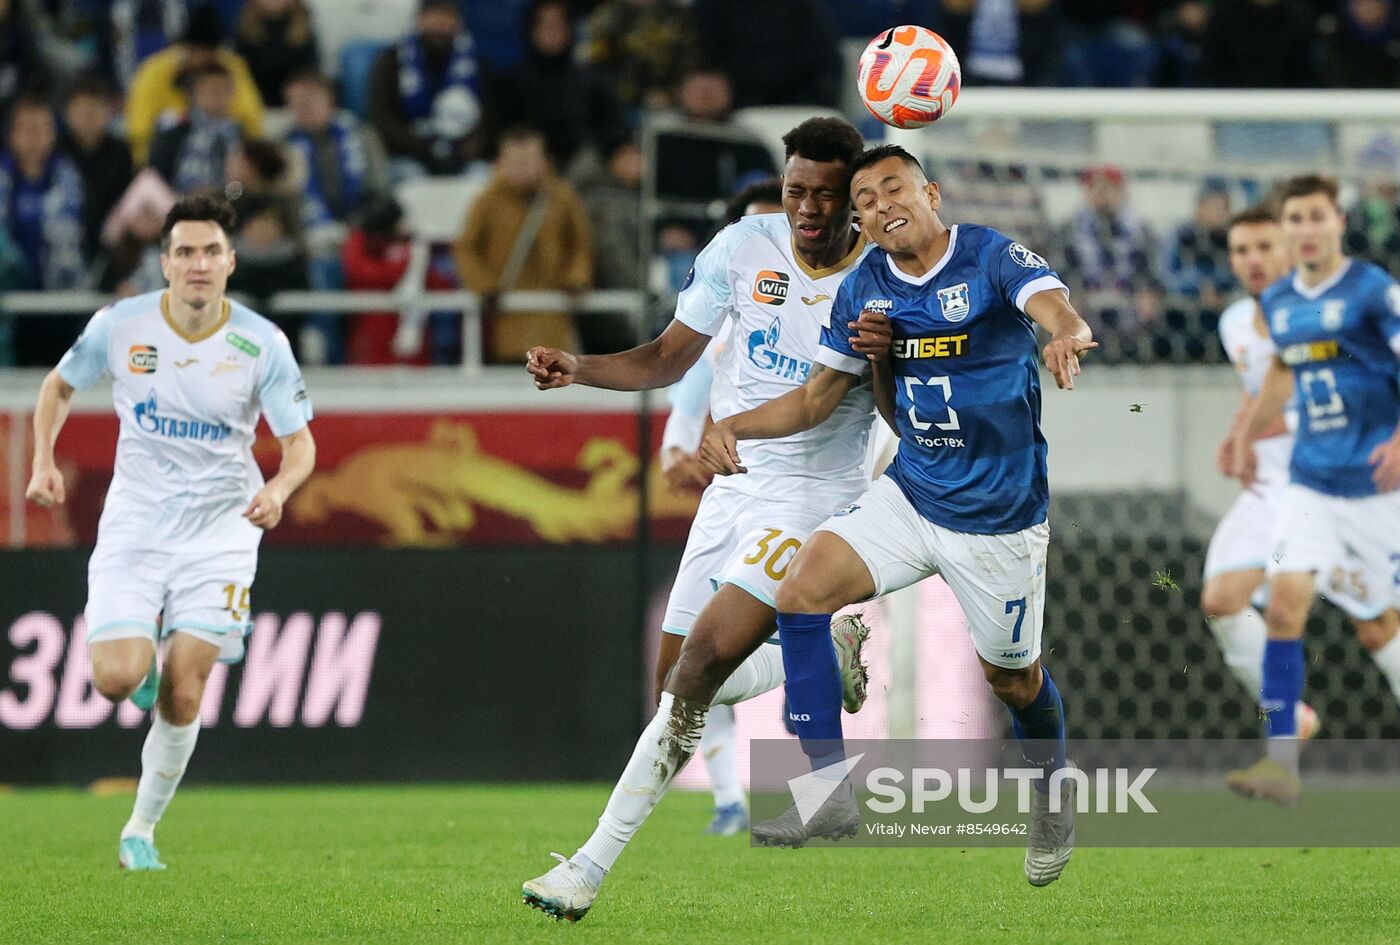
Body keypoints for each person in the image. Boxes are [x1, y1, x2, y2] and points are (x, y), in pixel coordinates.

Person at [697, 144, 1094, 885]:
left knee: (1014, 681)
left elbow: (1050, 302)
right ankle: (828, 790)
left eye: (892, 188)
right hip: (911, 490)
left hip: (997, 516)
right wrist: (736, 423)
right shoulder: (866, 286)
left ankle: (1050, 795)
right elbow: (819, 398)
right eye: (866, 201)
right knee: (800, 594)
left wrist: (1066, 331)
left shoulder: (988, 254)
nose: (880, 206)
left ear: (931, 192)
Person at [519, 117, 876, 921]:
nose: (807, 209)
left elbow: (830, 398)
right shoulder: (742, 248)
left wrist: (737, 428)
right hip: (732, 484)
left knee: (705, 657)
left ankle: (586, 868)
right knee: (677, 684)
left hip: (811, 491)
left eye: (825, 195)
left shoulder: (877, 278)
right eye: (795, 191)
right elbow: (666, 357)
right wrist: (578, 367)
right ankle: (826, 648)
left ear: (853, 197)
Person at [24, 193, 315, 871]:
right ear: (165, 263)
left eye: (211, 251)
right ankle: (140, 673)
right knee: (113, 679)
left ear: (231, 261)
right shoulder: (120, 326)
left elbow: (301, 445)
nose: (198, 264)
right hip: (137, 522)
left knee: (188, 687)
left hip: (221, 528)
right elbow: (58, 387)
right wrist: (43, 458)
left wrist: (278, 487)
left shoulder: (259, 343)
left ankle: (140, 829)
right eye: (184, 251)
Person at [1227, 174, 1400, 804]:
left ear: (1338, 222)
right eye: (1294, 218)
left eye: (1314, 217)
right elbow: (1282, 365)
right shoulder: (1280, 302)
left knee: (1382, 627)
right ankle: (1279, 763)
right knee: (1284, 603)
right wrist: (1248, 432)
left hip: (1380, 489)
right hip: (1313, 484)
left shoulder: (1374, 292)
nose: (1304, 228)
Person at [1202, 205, 1321, 733]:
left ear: (1293, 250)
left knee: (1379, 623)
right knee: (1223, 601)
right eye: (1241, 250)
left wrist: (1263, 427)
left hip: (1329, 486)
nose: (1252, 260)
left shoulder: (1324, 315)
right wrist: (1239, 436)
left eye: (1264, 247)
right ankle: (1287, 718)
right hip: (1271, 488)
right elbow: (1257, 395)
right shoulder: (1234, 323)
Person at [454, 126, 593, 364]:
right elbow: (466, 248)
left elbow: (581, 244)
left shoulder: (562, 198)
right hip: (506, 317)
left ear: (543, 160)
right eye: (516, 161)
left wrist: (576, 278)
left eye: (529, 160)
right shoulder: (487, 201)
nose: (523, 167)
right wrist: (484, 285)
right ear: (502, 162)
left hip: (554, 315)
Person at [123, 4, 264, 166]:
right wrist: (150, 170)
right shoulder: (154, 71)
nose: (202, 57)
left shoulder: (231, 67)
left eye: (209, 51)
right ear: (185, 47)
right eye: (197, 50)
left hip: (226, 161)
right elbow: (139, 130)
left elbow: (252, 121)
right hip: (167, 161)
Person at [367, 0, 486, 179]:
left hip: (463, 157)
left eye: (446, 17)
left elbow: (488, 117)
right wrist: (427, 150)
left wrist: (464, 151)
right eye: (433, 16)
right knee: (407, 176)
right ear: (419, 20)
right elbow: (382, 117)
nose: (440, 24)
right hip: (408, 155)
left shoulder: (477, 64)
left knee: (482, 175)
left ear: (458, 22)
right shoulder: (391, 60)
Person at [58, 74, 135, 267]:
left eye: (95, 109)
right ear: (68, 113)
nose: (89, 117)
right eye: (83, 110)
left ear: (108, 113)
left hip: (110, 236)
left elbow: (126, 201)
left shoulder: (120, 151)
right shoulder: (57, 151)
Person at [232, 0, 321, 108]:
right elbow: (240, 74)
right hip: (256, 106)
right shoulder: (244, 32)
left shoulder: (304, 29)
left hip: (295, 106)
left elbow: (310, 72)